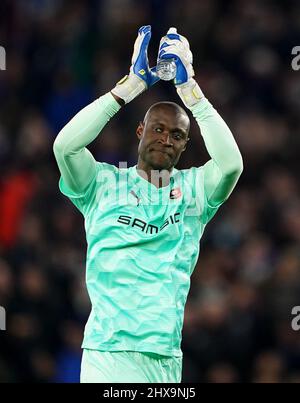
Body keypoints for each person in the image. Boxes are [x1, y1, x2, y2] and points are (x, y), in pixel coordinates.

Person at [53, 25, 243, 383]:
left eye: (177, 135)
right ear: (140, 131)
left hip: (165, 356)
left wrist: (192, 94)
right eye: (157, 128)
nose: (165, 139)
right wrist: (128, 89)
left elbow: (232, 164)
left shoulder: (195, 191)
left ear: (186, 145)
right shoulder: (102, 183)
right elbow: (65, 147)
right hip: (107, 354)